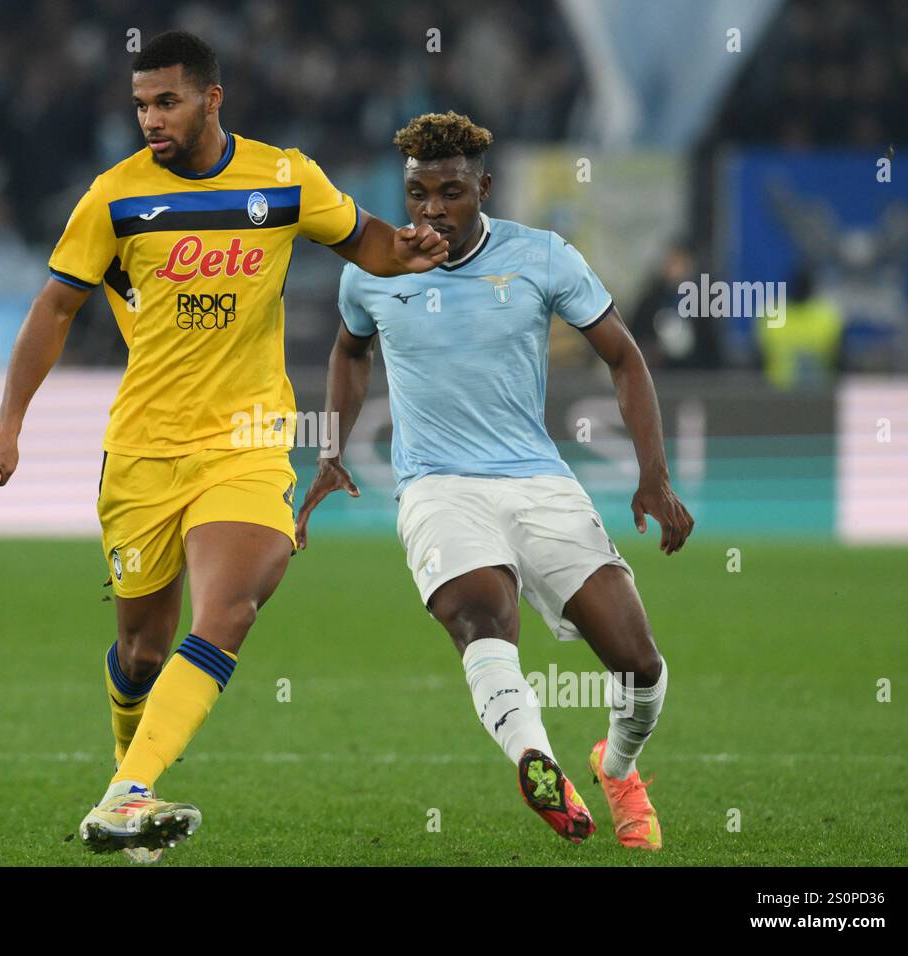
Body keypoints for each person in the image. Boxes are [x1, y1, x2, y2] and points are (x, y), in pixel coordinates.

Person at [0, 32, 448, 861]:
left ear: (212, 98)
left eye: (167, 102)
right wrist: (8, 423)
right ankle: (129, 782)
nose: (151, 119)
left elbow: (365, 236)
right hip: (145, 450)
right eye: (142, 105)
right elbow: (53, 311)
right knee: (141, 651)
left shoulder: (283, 176)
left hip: (252, 438)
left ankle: (126, 793)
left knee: (232, 604)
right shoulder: (114, 199)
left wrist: (402, 253)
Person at [296, 112, 694, 850]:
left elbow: (624, 356)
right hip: (436, 487)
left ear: (482, 187)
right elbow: (349, 353)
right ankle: (535, 761)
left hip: (538, 482)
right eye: (418, 194)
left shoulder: (542, 257)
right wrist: (330, 450)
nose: (431, 211)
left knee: (638, 662)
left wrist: (653, 477)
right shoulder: (372, 270)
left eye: (450, 192)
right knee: (480, 615)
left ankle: (618, 765)